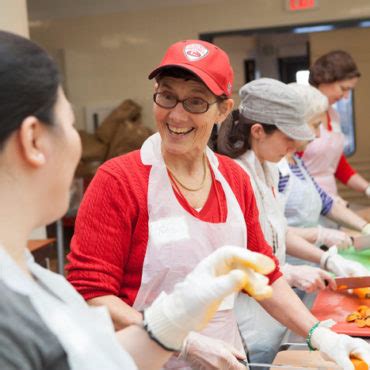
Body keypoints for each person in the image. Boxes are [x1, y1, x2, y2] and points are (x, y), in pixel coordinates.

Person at [0, 31, 277, 370]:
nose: (177, 115)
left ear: (223, 110)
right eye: (71, 123)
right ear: (32, 139)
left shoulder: (35, 280)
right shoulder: (11, 319)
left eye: (195, 102)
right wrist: (184, 338)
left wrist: (174, 320)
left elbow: (100, 359)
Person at [216, 78, 370, 367]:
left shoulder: (268, 169)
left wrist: (326, 259)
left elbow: (278, 232)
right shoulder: (233, 177)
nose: (294, 147)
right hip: (246, 320)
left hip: (275, 310)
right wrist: (287, 272)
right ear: (258, 131)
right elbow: (233, 256)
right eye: (288, 138)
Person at [279, 83, 370, 249]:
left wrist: (365, 227)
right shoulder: (277, 169)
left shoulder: (297, 163)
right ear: (296, 122)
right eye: (315, 125)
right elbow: (273, 231)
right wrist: (321, 235)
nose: (318, 134)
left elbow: (326, 203)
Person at [304, 50, 370, 212]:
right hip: (308, 201)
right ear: (324, 80)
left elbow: (337, 164)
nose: (346, 96)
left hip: (331, 200)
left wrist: (367, 188)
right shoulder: (303, 115)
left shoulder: (333, 115)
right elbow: (295, 170)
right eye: (343, 88)